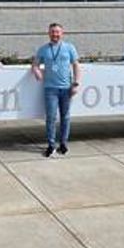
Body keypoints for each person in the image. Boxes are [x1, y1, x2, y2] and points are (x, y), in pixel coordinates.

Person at [31, 22, 81, 157]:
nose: (55, 34)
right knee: (51, 118)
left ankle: (63, 143)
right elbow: (35, 64)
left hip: (66, 88)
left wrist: (76, 83)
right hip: (50, 89)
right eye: (52, 32)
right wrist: (36, 71)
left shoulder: (69, 48)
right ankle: (51, 145)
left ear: (62, 33)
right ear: (49, 33)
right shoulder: (43, 49)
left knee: (65, 117)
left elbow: (76, 65)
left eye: (57, 32)